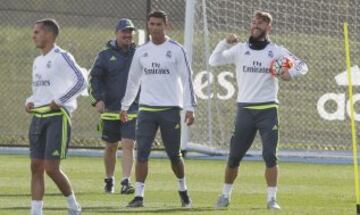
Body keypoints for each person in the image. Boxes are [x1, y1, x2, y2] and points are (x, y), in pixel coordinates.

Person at [209, 11, 308, 210]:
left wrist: (289, 74)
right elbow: (214, 61)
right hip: (245, 110)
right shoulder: (239, 49)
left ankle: (272, 199)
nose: (256, 25)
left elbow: (303, 66)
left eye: (261, 23)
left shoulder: (277, 51)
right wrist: (224, 43)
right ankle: (225, 195)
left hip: (268, 109)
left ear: (268, 28)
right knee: (234, 156)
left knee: (270, 156)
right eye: (254, 22)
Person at [120, 10, 197, 208]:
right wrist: (125, 105)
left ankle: (183, 190)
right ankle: (139, 196)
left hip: (170, 109)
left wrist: (190, 107)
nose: (154, 28)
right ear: (148, 25)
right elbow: (133, 80)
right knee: (142, 152)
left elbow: (187, 80)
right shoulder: (142, 50)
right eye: (151, 24)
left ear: (166, 25)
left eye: (158, 24)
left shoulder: (177, 49)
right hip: (146, 109)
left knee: (174, 155)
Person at [25, 18, 86, 215]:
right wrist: (30, 101)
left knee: (51, 168)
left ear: (49, 35)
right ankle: (36, 212)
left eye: (37, 32)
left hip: (57, 117)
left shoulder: (62, 56)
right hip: (38, 117)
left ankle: (73, 206)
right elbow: (39, 90)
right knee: (36, 166)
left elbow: (81, 82)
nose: (33, 36)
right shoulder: (37, 61)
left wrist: (61, 100)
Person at [88, 18, 138, 194]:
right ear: (116, 33)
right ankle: (109, 179)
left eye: (130, 32)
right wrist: (98, 99)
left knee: (128, 144)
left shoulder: (139, 53)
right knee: (111, 147)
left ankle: (126, 181)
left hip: (132, 110)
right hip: (110, 110)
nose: (127, 35)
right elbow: (94, 78)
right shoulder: (104, 55)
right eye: (124, 31)